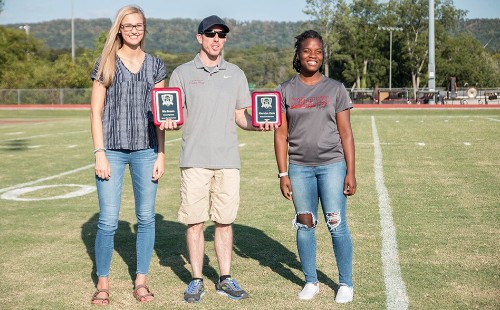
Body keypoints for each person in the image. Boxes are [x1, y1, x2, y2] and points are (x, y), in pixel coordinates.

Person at [160, 15, 276, 303]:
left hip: (227, 160)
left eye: (221, 35)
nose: (216, 39)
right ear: (199, 37)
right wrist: (169, 122)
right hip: (194, 159)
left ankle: (225, 278)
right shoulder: (183, 73)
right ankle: (197, 279)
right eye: (210, 34)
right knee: (195, 222)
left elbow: (241, 116)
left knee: (224, 222)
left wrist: (258, 124)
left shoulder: (235, 73)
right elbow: (176, 114)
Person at [89, 5, 167, 305]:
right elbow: (95, 112)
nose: (134, 30)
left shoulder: (156, 65)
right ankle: (103, 284)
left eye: (139, 25)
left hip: (147, 150)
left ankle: (141, 282)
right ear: (119, 29)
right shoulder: (106, 63)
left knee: (146, 218)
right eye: (128, 25)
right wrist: (99, 153)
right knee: (108, 220)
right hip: (112, 150)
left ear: (144, 28)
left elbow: (162, 114)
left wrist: (161, 153)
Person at [274, 30, 356, 303]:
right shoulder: (285, 89)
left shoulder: (335, 88)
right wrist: (283, 173)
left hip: (332, 165)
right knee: (305, 223)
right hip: (299, 167)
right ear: (298, 55)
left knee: (336, 223)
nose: (313, 56)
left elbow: (346, 133)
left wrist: (351, 171)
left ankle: (345, 283)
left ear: (323, 55)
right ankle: (311, 281)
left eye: (318, 51)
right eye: (307, 51)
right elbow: (281, 135)